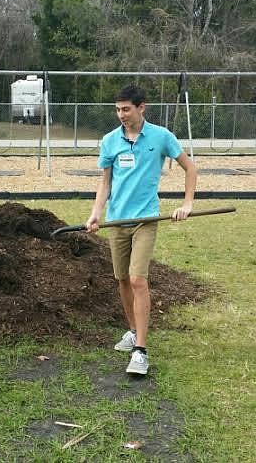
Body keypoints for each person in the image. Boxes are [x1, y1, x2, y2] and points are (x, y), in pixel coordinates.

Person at [85, 84, 198, 375]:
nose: (121, 115)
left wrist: (186, 204)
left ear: (141, 108)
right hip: (116, 221)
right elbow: (105, 183)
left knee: (137, 279)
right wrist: (96, 214)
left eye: (127, 109)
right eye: (118, 109)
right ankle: (133, 331)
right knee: (122, 279)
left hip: (146, 220)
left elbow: (191, 168)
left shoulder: (161, 137)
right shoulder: (110, 141)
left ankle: (141, 351)